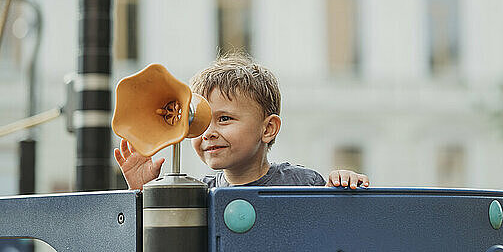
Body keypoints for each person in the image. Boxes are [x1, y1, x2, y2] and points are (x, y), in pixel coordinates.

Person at [115, 53, 370, 189]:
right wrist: (142, 191)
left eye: (224, 119)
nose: (208, 133)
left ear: (268, 128)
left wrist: (343, 184)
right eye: (200, 120)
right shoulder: (198, 194)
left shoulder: (302, 183)